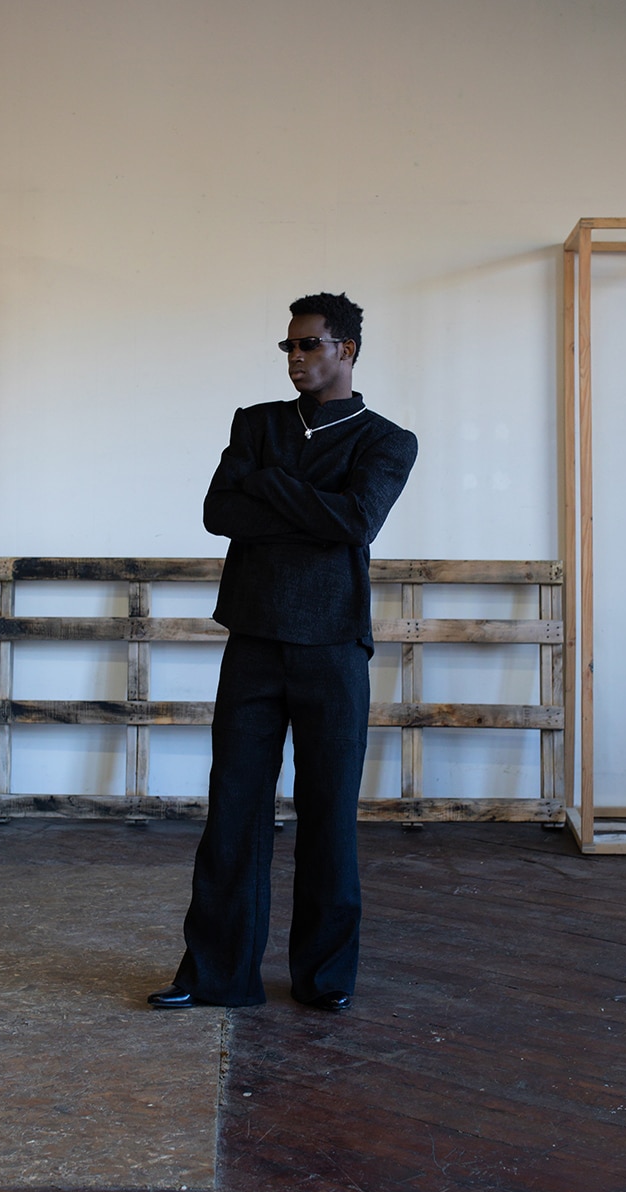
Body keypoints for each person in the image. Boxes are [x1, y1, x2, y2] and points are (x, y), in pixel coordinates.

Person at [148, 292, 417, 1013]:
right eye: (288, 347)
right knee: (233, 810)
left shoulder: (388, 440)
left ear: (346, 350)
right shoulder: (257, 423)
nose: (295, 357)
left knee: (329, 816)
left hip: (333, 647)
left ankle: (324, 979)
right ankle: (216, 975)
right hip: (254, 640)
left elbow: (357, 522)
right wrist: (310, 509)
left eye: (308, 345)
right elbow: (219, 512)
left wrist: (268, 486)